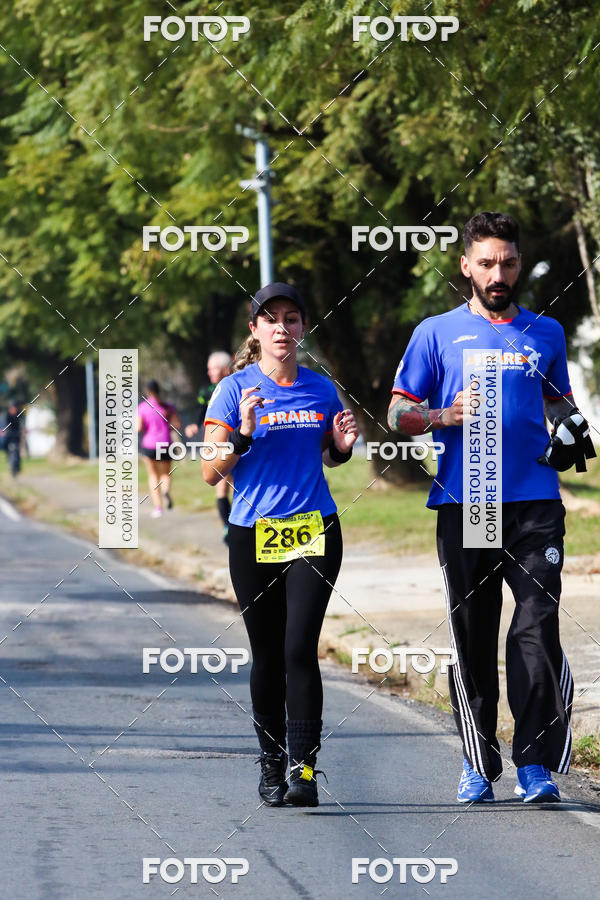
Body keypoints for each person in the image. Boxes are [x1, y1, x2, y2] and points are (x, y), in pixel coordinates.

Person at [388, 211, 592, 804]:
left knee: (536, 626)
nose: (497, 273)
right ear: (465, 267)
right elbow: (399, 412)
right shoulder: (435, 332)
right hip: (466, 499)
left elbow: (560, 405)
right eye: (486, 263)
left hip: (534, 504)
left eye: (506, 262)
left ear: (519, 264)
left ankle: (535, 763)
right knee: (473, 634)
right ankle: (479, 761)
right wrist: (440, 416)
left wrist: (571, 431)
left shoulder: (546, 333)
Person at [201, 282, 358, 807]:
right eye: (271, 319)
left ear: (302, 327)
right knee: (267, 653)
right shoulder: (232, 389)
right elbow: (208, 471)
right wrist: (242, 433)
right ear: (255, 330)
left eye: (292, 318)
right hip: (252, 533)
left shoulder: (319, 388)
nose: (281, 328)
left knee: (299, 649)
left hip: (313, 528)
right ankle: (270, 763)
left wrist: (341, 447)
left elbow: (330, 456)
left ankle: (304, 768)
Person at [185, 352, 232, 541]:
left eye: (214, 368)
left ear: (225, 368)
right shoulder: (207, 391)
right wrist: (195, 424)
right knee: (221, 487)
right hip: (220, 443)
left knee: (241, 486)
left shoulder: (237, 385)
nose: (210, 372)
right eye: (209, 369)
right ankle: (228, 527)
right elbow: (202, 410)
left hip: (240, 440)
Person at [137, 380, 181, 518]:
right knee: (165, 474)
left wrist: (147, 428)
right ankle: (166, 490)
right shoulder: (167, 407)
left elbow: (138, 428)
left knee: (153, 475)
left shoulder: (143, 407)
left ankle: (158, 507)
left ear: (148, 391)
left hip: (149, 444)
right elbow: (177, 424)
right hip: (165, 443)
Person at [4, 400, 24, 477]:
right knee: (5, 445)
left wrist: (24, 430)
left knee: (17, 449)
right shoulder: (7, 414)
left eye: (15, 407)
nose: (13, 409)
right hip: (9, 434)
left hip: (17, 434)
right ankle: (7, 456)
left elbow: (22, 423)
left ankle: (18, 466)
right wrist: (4, 431)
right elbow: (5, 423)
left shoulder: (19, 414)